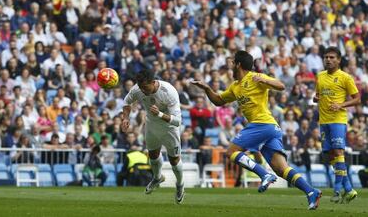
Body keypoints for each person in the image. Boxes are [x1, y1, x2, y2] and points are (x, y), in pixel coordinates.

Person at [191, 50, 321, 210]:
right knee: (281, 169)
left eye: (232, 63)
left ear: (238, 64)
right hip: (270, 128)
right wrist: (206, 89)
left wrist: (264, 80)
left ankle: (264, 174)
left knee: (231, 151)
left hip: (262, 124)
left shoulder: (254, 77)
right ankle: (311, 191)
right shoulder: (235, 87)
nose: (230, 67)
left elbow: (281, 86)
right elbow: (218, 101)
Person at [122, 69, 184, 204]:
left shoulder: (169, 91)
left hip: (170, 129)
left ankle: (180, 184)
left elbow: (177, 121)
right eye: (141, 87)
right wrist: (125, 118)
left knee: (174, 160)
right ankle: (157, 177)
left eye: (145, 87)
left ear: (153, 82)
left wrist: (160, 114)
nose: (143, 91)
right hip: (151, 126)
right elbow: (127, 102)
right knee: (153, 155)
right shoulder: (137, 89)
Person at [314, 46, 360, 203]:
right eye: (326, 57)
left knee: (339, 152)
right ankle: (348, 189)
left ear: (339, 60)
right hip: (324, 121)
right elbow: (319, 94)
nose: (328, 59)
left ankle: (336, 191)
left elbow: (357, 99)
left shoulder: (345, 77)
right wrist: (316, 98)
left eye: (332, 57)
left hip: (338, 121)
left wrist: (341, 105)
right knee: (331, 155)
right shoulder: (319, 76)